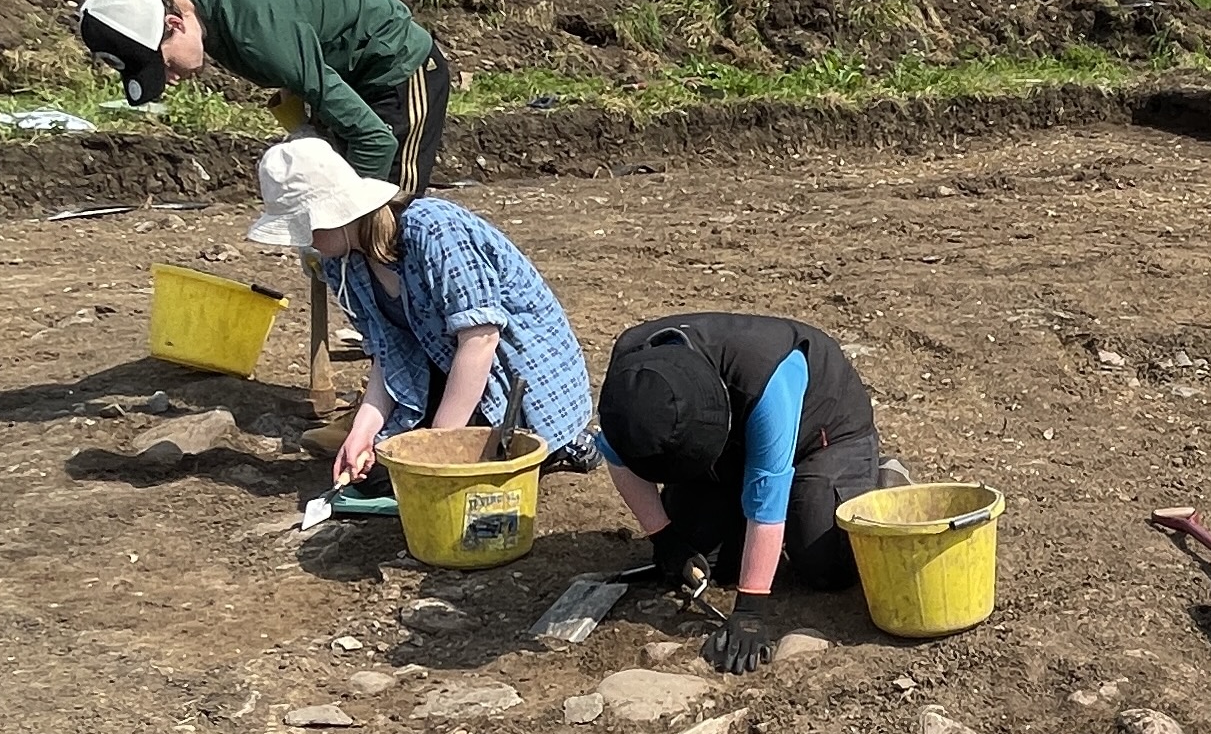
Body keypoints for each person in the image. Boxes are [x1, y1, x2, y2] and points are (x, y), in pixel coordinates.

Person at [244, 136, 600, 492]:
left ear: (335, 215)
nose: (303, 242)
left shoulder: (434, 229)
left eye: (304, 227)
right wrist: (362, 432)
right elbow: (388, 354)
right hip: (444, 364)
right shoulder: (342, 264)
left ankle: (565, 443)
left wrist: (437, 446)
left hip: (511, 368)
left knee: (454, 473)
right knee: (380, 476)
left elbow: (480, 340)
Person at [594, 314, 898, 674]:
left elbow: (767, 497)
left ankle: (883, 478)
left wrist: (751, 608)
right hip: (732, 444)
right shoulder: (630, 382)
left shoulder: (765, 378)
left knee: (824, 564)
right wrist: (664, 537)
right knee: (706, 562)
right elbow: (617, 456)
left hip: (824, 433)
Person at [78, 0, 449, 192]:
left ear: (174, 23)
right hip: (339, 71)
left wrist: (357, 219)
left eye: (164, 66)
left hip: (396, 68)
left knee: (391, 216)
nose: (171, 79)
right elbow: (299, 58)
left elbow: (374, 139)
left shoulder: (258, 36)